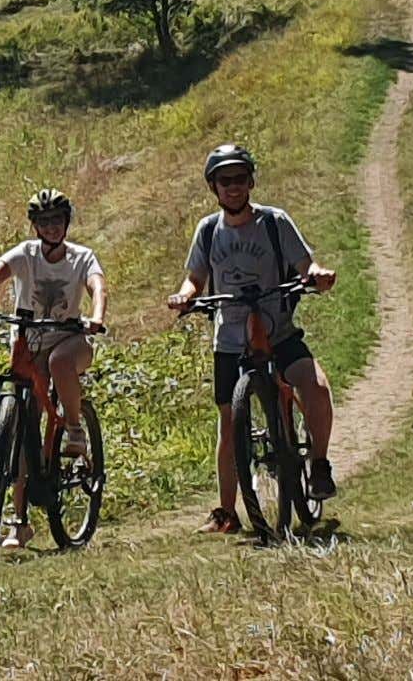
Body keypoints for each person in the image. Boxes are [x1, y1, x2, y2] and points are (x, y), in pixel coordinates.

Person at [166, 144, 339, 534]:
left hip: (277, 330)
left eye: (240, 179)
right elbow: (195, 278)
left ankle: (320, 464)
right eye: (225, 180)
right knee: (229, 424)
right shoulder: (208, 230)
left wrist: (317, 274)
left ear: (251, 182)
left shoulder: (275, 222)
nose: (233, 187)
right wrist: (185, 296)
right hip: (229, 338)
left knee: (316, 388)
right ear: (213, 187)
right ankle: (226, 512)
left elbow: (304, 264)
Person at [0, 188, 107, 550]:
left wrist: (96, 318)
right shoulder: (26, 254)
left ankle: (74, 429)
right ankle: (19, 522)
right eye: (44, 221)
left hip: (70, 340)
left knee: (60, 362)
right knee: (23, 430)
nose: (51, 227)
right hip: (28, 342)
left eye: (57, 220)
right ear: (35, 226)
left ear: (66, 222)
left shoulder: (82, 257)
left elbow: (97, 286)